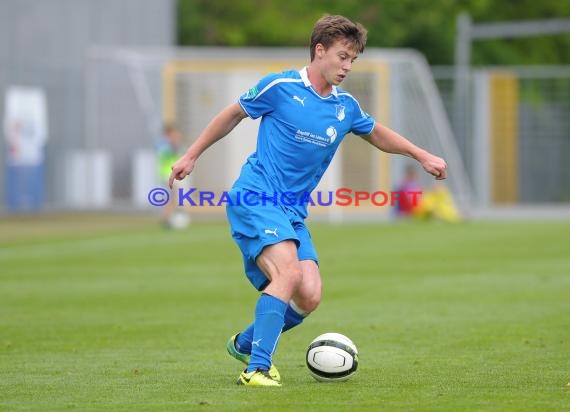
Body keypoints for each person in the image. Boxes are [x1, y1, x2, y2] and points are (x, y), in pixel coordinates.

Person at [169, 15, 447, 387]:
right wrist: (191, 155)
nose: (347, 66)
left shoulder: (345, 107)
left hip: (292, 211)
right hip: (256, 195)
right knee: (288, 273)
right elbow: (233, 113)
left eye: (352, 60)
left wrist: (422, 156)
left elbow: (378, 133)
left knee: (310, 295)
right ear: (320, 51)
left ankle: (246, 343)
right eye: (342, 57)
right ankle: (257, 368)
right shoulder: (281, 86)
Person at [157, 123, 189, 229]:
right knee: (172, 197)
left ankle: (168, 218)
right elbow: (167, 155)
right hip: (167, 174)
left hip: (173, 174)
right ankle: (170, 218)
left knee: (171, 197)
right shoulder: (164, 144)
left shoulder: (173, 144)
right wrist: (174, 143)